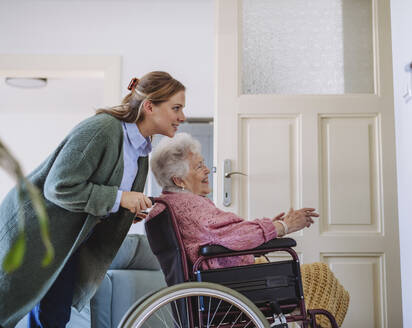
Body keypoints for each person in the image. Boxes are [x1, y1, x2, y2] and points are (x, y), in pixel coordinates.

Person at [0, 71, 186, 328]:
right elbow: (59, 187)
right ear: (150, 106)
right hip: (34, 234)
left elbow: (100, 196)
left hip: (66, 243)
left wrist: (124, 210)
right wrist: (120, 198)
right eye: (176, 108)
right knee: (11, 308)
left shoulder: (141, 149)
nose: (182, 117)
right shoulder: (103, 129)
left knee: (54, 317)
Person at [146, 133, 350, 328]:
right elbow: (233, 235)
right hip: (232, 286)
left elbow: (226, 236)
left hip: (220, 281)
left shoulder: (172, 204)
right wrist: (283, 226)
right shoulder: (191, 206)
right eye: (199, 166)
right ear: (178, 180)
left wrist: (266, 231)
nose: (207, 170)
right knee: (319, 274)